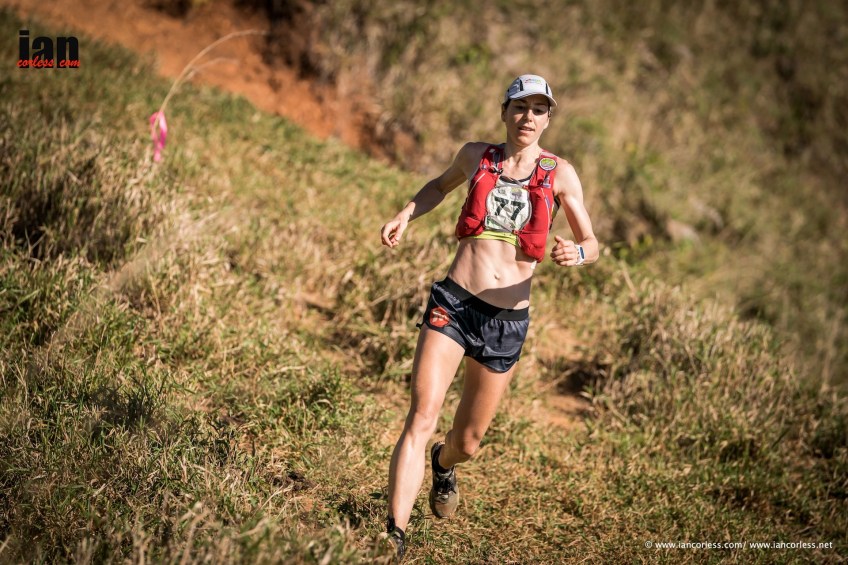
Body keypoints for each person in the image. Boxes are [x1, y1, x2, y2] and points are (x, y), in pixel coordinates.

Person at [378, 74, 598, 560]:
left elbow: (592, 242)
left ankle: (443, 463)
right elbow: (438, 187)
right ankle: (393, 535)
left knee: (468, 441)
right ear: (504, 112)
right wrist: (405, 213)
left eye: (538, 109)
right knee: (422, 415)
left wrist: (578, 254)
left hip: (506, 323)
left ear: (548, 119)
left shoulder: (561, 174)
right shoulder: (476, 155)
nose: (528, 117)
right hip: (454, 304)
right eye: (520, 107)